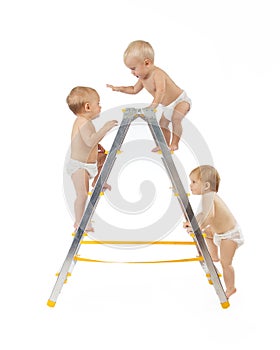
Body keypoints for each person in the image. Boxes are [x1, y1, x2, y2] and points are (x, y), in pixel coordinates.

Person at [106, 40, 191, 151]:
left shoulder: (157, 74)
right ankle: (163, 145)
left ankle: (175, 143)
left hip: (180, 100)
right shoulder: (142, 78)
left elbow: (161, 90)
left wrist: (153, 105)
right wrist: (119, 89)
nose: (132, 72)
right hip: (167, 106)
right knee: (162, 124)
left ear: (147, 63)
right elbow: (133, 89)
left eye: (133, 68)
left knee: (176, 118)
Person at [183, 165, 244, 298]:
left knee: (225, 263)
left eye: (194, 182)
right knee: (208, 233)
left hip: (230, 235)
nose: (190, 185)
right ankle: (213, 256)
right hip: (219, 233)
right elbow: (202, 214)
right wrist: (192, 223)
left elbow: (209, 217)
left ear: (206, 185)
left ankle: (230, 288)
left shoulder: (209, 197)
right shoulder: (207, 197)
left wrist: (197, 227)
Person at [66, 86, 118, 232]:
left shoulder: (85, 122)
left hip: (89, 163)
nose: (100, 106)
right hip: (79, 166)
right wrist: (105, 128)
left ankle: (98, 181)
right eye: (98, 103)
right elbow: (89, 141)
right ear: (88, 107)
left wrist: (97, 146)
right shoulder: (82, 122)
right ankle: (79, 222)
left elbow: (87, 142)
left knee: (106, 157)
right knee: (82, 194)